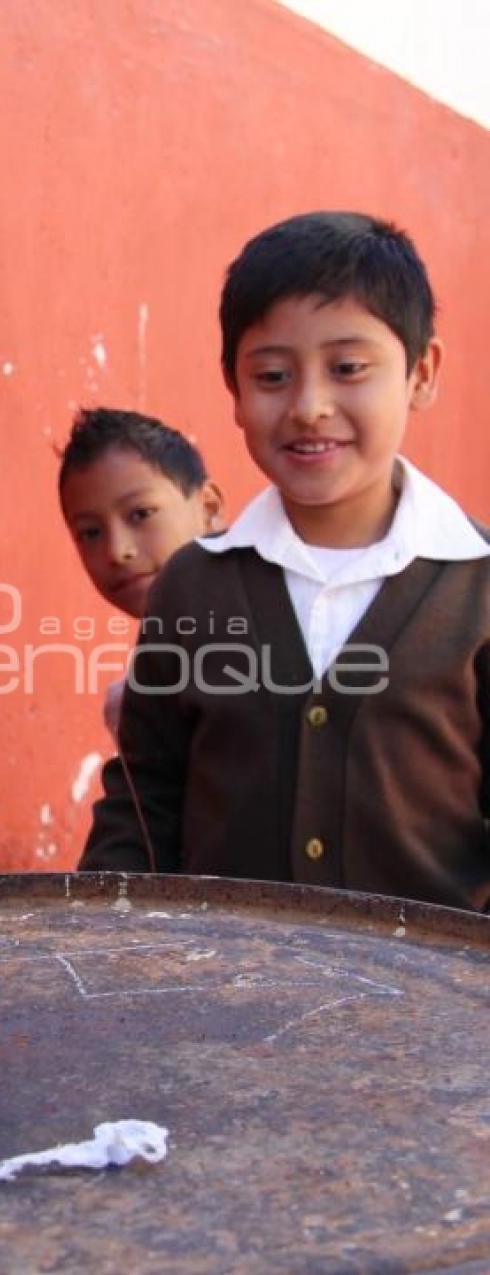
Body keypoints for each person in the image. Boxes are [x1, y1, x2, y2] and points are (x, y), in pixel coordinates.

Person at [79, 211, 490, 911]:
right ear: (234, 391)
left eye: (348, 368)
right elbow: (145, 803)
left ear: (421, 373)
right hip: (224, 1003)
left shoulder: (477, 587)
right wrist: (106, 947)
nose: (308, 406)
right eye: (272, 375)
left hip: (432, 1009)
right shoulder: (193, 585)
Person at [59, 406, 225, 734]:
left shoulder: (292, 632)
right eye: (90, 533)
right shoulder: (129, 705)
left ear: (208, 507)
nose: (117, 552)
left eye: (141, 514)